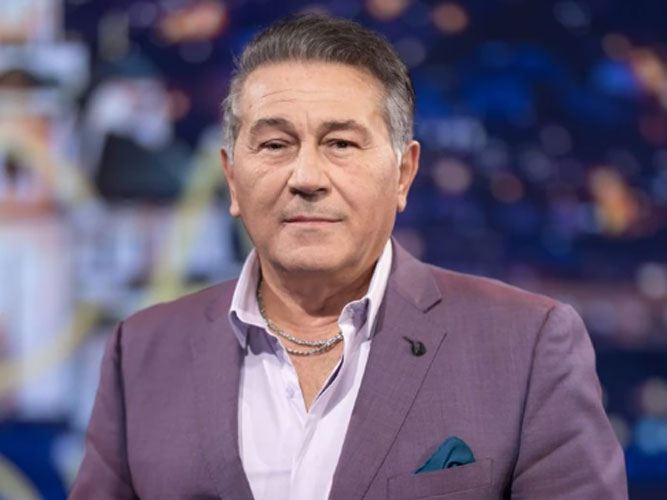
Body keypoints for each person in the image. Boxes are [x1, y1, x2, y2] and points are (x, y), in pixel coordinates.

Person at [69, 14, 627, 500]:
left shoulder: (526, 346)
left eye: (341, 144)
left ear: (403, 173)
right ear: (232, 179)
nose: (306, 177)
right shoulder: (139, 353)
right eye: (275, 145)